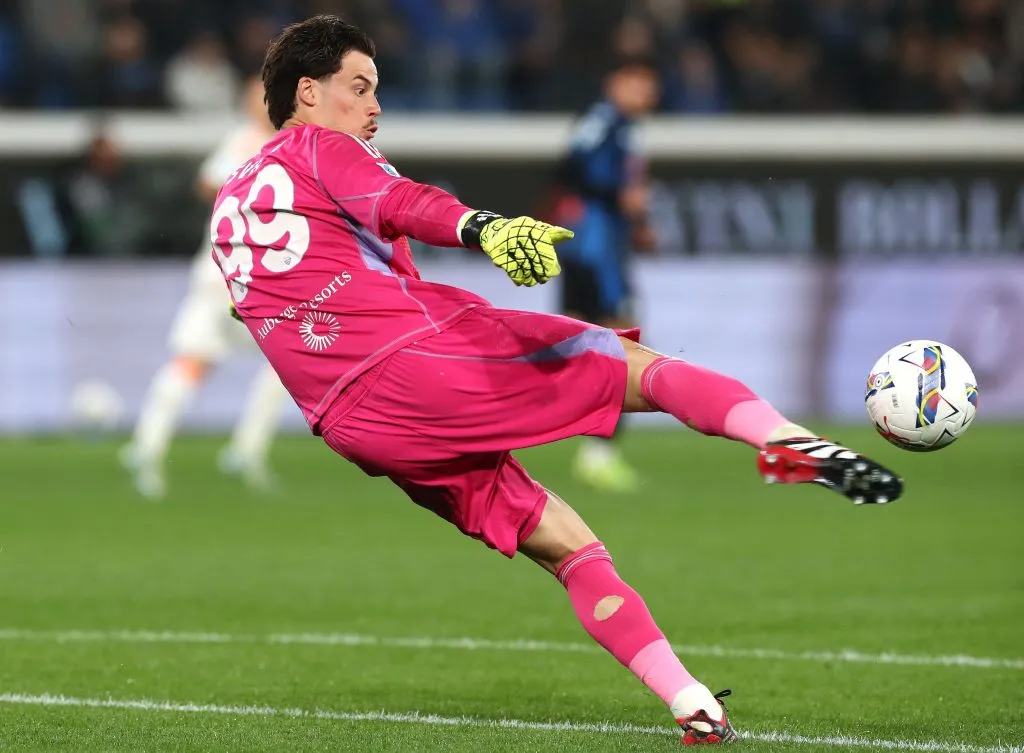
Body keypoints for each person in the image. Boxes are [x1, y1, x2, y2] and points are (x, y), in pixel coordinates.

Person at [212, 16, 904, 745]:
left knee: (566, 544)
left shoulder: (231, 200)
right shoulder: (324, 147)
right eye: (360, 88)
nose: (374, 107)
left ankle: (691, 700)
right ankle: (788, 442)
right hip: (416, 365)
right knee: (636, 366)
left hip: (355, 426)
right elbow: (406, 202)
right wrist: (489, 227)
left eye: (377, 90)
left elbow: (255, 304)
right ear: (309, 92)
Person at [120, 76, 289, 499]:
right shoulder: (252, 142)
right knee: (270, 362)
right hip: (233, 279)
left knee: (269, 365)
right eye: (257, 97)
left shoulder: (279, 146)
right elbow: (209, 184)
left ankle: (159, 446)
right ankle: (215, 450)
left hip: (243, 280)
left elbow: (207, 184)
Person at [549, 56, 659, 493]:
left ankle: (594, 452)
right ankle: (599, 455)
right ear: (617, 82)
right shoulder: (603, 120)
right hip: (594, 253)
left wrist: (635, 219)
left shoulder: (623, 126)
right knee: (623, 348)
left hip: (595, 248)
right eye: (640, 83)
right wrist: (621, 197)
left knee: (581, 353)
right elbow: (571, 166)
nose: (648, 93)